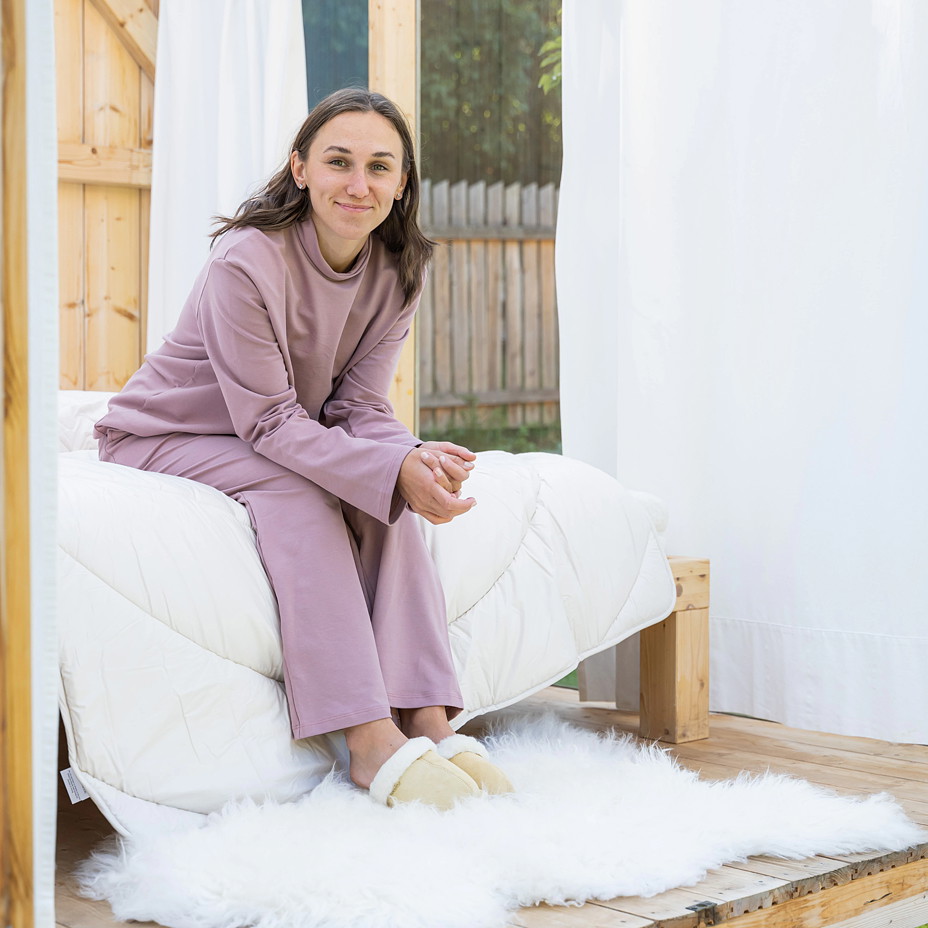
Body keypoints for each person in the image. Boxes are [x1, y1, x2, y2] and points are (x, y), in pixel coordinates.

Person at [93, 88, 512, 810]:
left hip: (271, 429)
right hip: (170, 434)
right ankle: (367, 738)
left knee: (388, 493)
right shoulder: (246, 263)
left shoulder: (396, 269)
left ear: (402, 183)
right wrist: (387, 465)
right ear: (300, 169)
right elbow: (267, 424)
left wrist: (409, 458)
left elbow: (357, 407)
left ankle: (429, 719)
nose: (359, 183)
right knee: (308, 491)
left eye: (380, 167)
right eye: (339, 162)